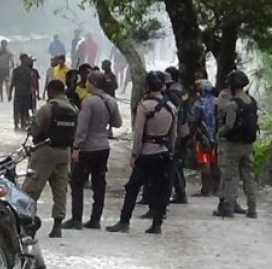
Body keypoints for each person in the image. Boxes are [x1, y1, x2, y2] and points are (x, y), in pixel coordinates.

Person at [107, 71, 177, 235]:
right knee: (162, 188)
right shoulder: (172, 108)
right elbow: (174, 134)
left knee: (133, 188)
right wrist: (170, 150)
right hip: (165, 152)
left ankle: (124, 221)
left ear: (146, 86)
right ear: (162, 86)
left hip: (147, 152)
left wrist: (134, 154)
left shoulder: (145, 106)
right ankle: (157, 224)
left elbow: (138, 133)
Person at [63, 71, 123, 230]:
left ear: (94, 84)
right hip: (103, 146)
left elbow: (82, 128)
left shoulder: (88, 102)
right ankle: (95, 219)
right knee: (99, 183)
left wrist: (76, 147)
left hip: (88, 147)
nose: (86, 84)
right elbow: (117, 123)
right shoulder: (111, 101)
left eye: (88, 82)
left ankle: (76, 218)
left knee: (77, 182)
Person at [21, 79, 78, 238]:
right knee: (60, 191)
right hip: (64, 152)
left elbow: (33, 131)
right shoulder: (74, 109)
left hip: (44, 152)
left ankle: (28, 223)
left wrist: (30, 122)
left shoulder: (47, 109)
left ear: (51, 91)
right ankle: (57, 226)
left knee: (31, 188)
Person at [213, 70, 259, 219]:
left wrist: (219, 132)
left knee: (231, 176)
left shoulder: (233, 104)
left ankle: (228, 207)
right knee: (249, 177)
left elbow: (229, 125)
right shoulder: (252, 102)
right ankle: (252, 209)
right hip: (249, 145)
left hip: (233, 145)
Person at [190, 79, 220, 197]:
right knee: (215, 162)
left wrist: (191, 136)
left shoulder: (198, 103)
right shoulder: (218, 102)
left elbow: (193, 121)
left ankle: (206, 190)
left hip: (203, 137)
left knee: (204, 162)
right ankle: (217, 189)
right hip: (217, 137)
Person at [164, 66, 189, 204]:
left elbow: (174, 115)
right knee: (178, 162)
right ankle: (180, 190)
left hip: (177, 132)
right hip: (184, 129)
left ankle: (180, 192)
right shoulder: (182, 91)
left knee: (174, 164)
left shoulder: (171, 94)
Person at [9, 54, 34, 131]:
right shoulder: (16, 70)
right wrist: (9, 93)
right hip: (18, 93)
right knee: (16, 110)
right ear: (21, 60)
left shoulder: (30, 71)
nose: (26, 61)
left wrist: (32, 94)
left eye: (27, 59)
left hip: (26, 94)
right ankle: (16, 125)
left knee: (24, 110)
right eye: (24, 59)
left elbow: (31, 84)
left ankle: (23, 126)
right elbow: (12, 82)